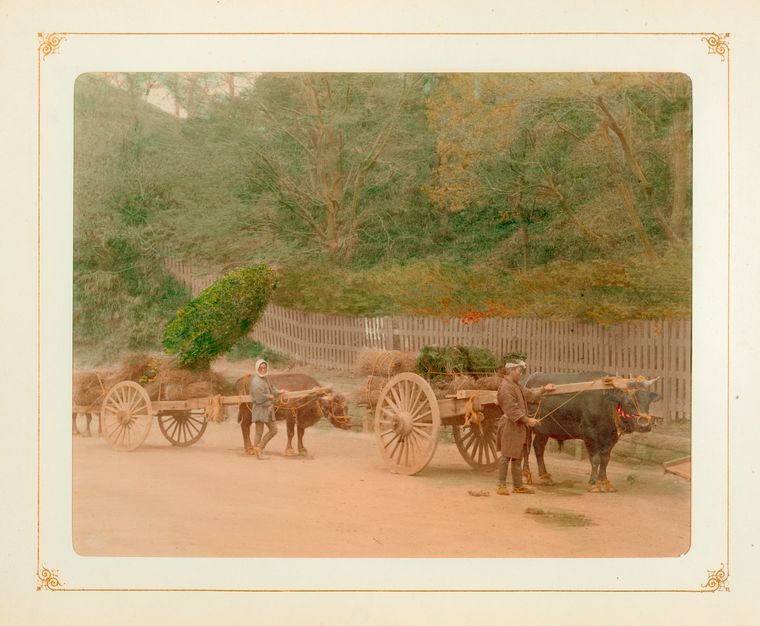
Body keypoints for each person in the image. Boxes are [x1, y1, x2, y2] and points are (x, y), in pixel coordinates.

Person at [495, 359, 555, 495]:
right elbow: (512, 410)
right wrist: (528, 420)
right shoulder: (505, 388)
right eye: (519, 371)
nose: (521, 374)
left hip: (518, 426)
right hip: (510, 425)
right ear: (511, 371)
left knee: (517, 455)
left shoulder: (517, 385)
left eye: (521, 372)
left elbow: (531, 395)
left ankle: (517, 486)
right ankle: (501, 486)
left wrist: (544, 389)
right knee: (506, 456)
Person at [249, 358, 283, 458]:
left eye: (264, 367)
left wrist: (278, 392)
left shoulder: (266, 378)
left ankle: (259, 447)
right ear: (257, 368)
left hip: (268, 410)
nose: (263, 369)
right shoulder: (256, 382)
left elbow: (272, 388)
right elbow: (259, 398)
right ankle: (258, 452)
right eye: (261, 368)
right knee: (259, 433)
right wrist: (270, 396)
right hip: (259, 410)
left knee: (274, 430)